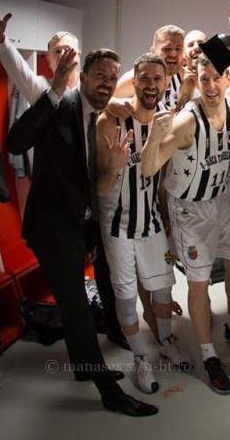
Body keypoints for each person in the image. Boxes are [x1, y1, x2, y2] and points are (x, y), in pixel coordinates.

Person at [7, 48, 157, 417]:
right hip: (51, 227)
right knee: (77, 309)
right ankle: (108, 391)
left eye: (112, 77)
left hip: (77, 226)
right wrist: (55, 88)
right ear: (84, 77)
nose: (107, 83)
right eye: (100, 75)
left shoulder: (102, 116)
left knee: (76, 302)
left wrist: (89, 235)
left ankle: (82, 367)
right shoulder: (59, 105)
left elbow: (88, 182)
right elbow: (15, 142)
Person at [0, 0, 129, 351]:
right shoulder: (47, 96)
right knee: (73, 298)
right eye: (56, 51)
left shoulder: (97, 98)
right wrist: (1, 42)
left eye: (70, 51)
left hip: (89, 211)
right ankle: (89, 362)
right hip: (58, 215)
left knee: (108, 279)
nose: (64, 56)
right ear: (48, 59)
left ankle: (114, 330)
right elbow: (20, 74)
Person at [140, 55, 230, 395]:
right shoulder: (187, 121)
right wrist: (153, 137)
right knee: (198, 282)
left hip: (221, 199)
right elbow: (149, 168)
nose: (211, 85)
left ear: (228, 78)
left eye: (217, 77)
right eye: (204, 79)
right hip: (190, 209)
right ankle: (209, 356)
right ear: (196, 79)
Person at [96, 53, 192, 394]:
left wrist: (166, 219)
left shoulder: (167, 120)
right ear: (133, 82)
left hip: (151, 223)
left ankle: (164, 342)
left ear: (166, 83)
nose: (151, 85)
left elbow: (159, 177)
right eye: (145, 79)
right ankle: (140, 358)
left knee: (163, 289)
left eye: (157, 79)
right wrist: (114, 166)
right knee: (126, 299)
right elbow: (99, 186)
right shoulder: (110, 121)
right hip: (117, 226)